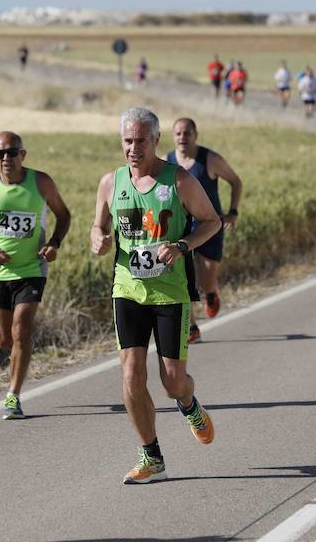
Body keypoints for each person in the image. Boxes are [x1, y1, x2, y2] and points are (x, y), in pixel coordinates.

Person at [90, 107, 221, 484]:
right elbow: (98, 226)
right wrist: (98, 239)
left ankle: (189, 404)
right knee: (131, 376)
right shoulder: (110, 183)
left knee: (172, 382)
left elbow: (212, 222)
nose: (133, 148)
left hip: (170, 293)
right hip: (127, 290)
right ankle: (151, 455)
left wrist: (181, 244)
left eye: (140, 141)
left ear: (155, 140)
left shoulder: (178, 181)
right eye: (127, 141)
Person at [0, 132, 72, 419]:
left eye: (12, 153)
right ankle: (21, 354)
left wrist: (54, 244)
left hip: (32, 269)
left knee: (21, 328)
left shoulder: (41, 182)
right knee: (4, 340)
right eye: (0, 154)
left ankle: (13, 396)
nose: (6, 159)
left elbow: (64, 215)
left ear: (23, 154)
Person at [167, 118, 242, 344]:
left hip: (209, 227)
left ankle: (211, 293)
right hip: (181, 230)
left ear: (195, 134)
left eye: (187, 133)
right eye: (178, 133)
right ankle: (191, 328)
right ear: (173, 136)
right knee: (182, 279)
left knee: (206, 282)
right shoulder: (167, 161)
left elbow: (236, 181)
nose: (182, 137)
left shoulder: (210, 159)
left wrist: (233, 212)